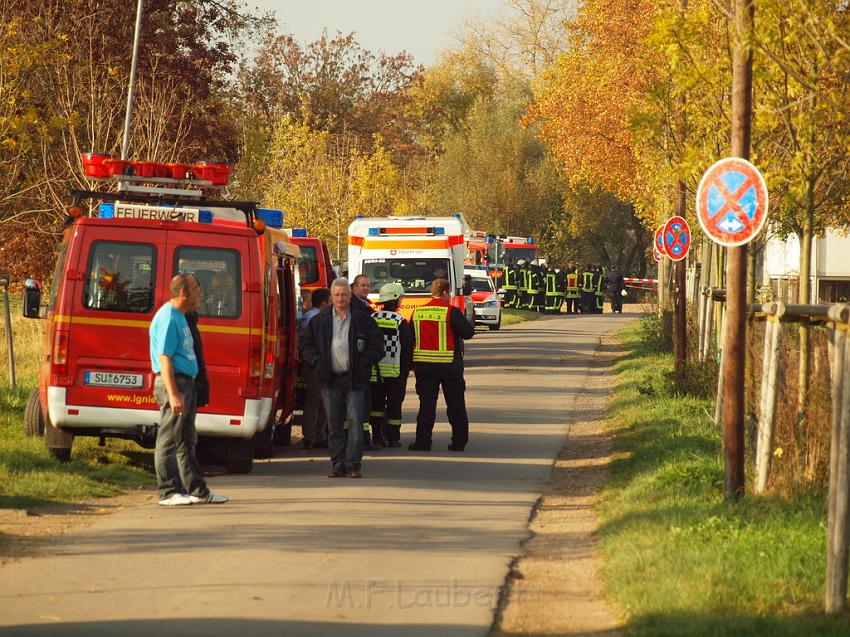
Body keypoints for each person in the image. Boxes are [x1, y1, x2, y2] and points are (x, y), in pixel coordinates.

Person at [149, 274, 228, 506]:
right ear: (183, 293)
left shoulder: (182, 316)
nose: (200, 293)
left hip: (187, 383)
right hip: (175, 383)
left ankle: (196, 490)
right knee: (168, 438)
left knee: (186, 439)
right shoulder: (168, 318)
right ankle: (167, 491)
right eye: (196, 289)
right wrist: (173, 394)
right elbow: (164, 358)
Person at [299, 278, 384, 478]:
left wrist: (363, 363)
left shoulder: (363, 319)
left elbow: (377, 345)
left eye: (344, 295)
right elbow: (305, 345)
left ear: (350, 295)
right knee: (334, 425)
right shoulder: (319, 321)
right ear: (331, 297)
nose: (340, 298)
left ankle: (354, 465)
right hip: (330, 379)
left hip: (355, 380)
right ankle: (337, 464)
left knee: (355, 423)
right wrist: (318, 362)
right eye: (336, 295)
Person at [409, 279, 475, 452]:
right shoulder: (451, 312)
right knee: (455, 405)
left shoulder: (417, 313)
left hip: (424, 366)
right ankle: (459, 442)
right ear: (445, 292)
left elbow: (409, 339)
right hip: (449, 366)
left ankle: (423, 442)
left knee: (426, 405)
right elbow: (468, 333)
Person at [370, 283, 413, 448]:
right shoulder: (400, 321)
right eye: (401, 297)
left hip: (375, 371)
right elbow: (407, 346)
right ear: (395, 298)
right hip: (396, 372)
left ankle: (377, 436)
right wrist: (407, 367)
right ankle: (393, 438)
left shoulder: (372, 319)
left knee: (376, 405)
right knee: (395, 404)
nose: (402, 300)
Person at [298, 287, 330, 450]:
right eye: (331, 301)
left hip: (321, 364)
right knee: (314, 401)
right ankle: (310, 437)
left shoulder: (313, 317)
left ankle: (319, 436)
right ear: (324, 303)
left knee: (323, 402)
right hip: (315, 365)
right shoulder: (312, 319)